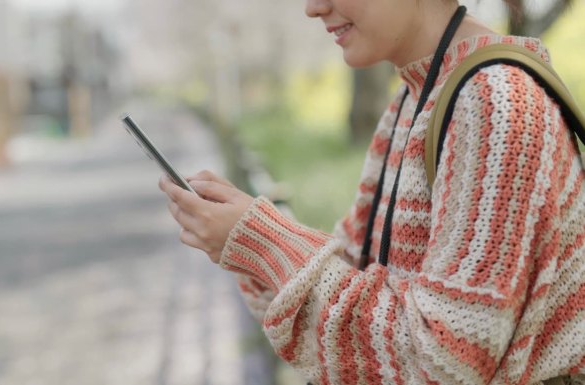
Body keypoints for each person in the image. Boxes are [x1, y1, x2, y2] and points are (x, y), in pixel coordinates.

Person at [158, 0, 585, 384]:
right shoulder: (415, 96)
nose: (313, 8)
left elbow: (446, 364)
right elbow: (355, 270)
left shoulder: (496, 104)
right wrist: (247, 239)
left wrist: (266, 240)